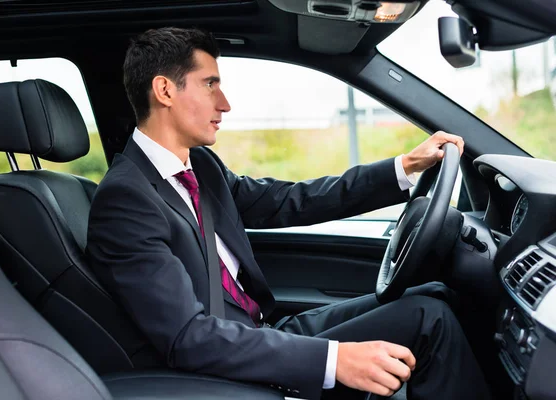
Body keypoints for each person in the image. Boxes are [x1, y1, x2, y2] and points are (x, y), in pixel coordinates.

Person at [86, 27, 491, 400]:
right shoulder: (126, 200)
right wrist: (336, 361)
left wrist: (402, 167)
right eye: (210, 85)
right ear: (165, 90)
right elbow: (189, 337)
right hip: (229, 371)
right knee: (430, 319)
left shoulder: (201, 167)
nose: (224, 104)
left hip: (263, 334)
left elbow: (292, 199)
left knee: (436, 294)